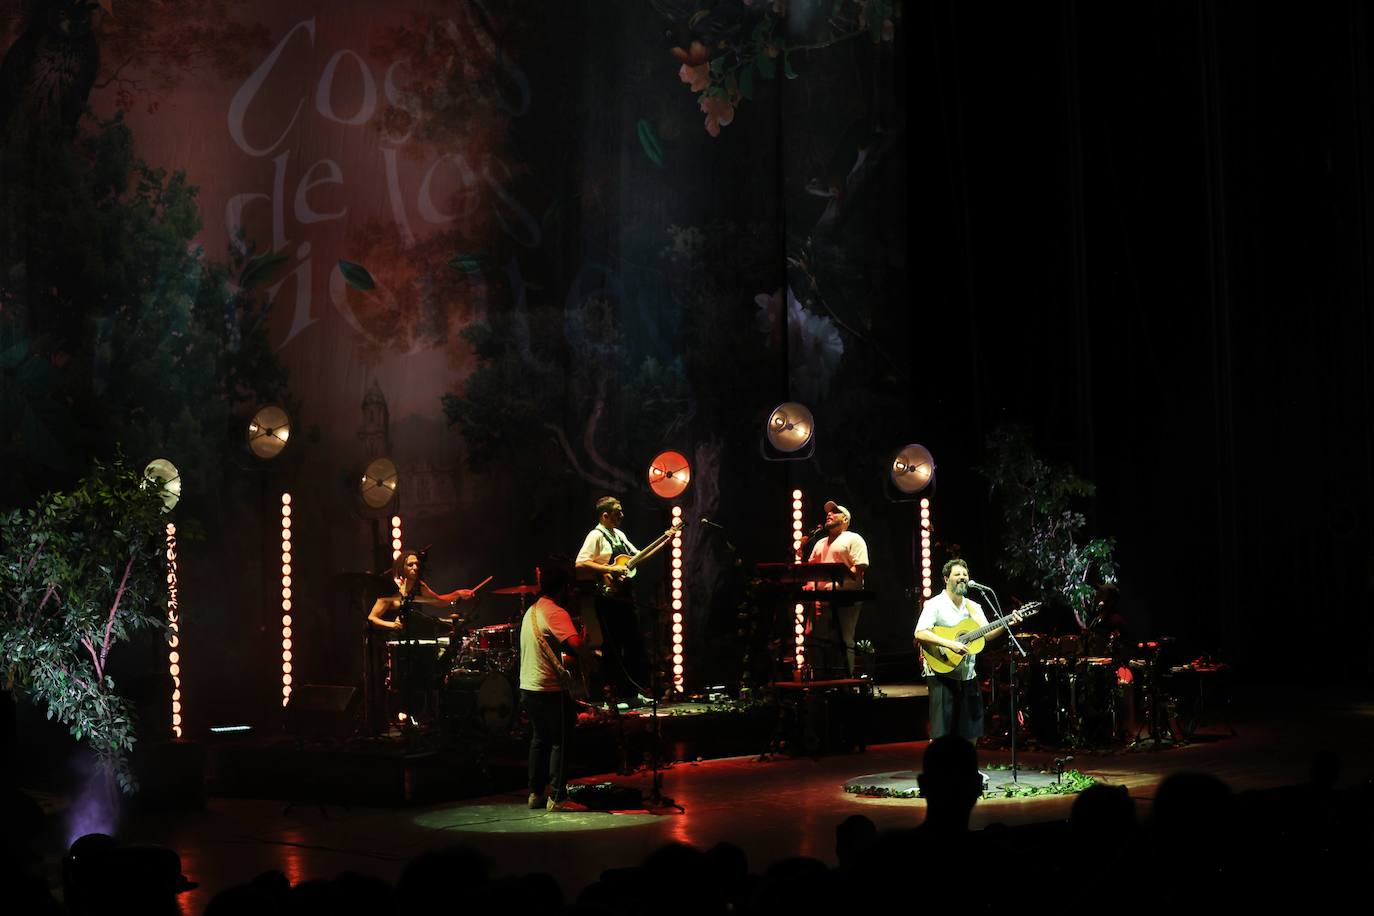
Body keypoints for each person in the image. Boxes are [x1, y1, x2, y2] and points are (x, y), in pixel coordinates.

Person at [913, 558, 1019, 739]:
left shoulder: (973, 607)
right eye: (957, 574)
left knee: (971, 731)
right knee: (942, 733)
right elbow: (920, 632)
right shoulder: (935, 604)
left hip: (968, 675)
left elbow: (986, 634)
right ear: (946, 579)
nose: (962, 577)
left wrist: (1007, 623)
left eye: (965, 574)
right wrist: (950, 644)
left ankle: (966, 758)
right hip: (941, 674)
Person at [519, 563, 586, 811]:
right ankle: (557, 797)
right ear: (563, 588)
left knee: (539, 739)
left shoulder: (531, 611)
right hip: (549, 689)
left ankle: (535, 794)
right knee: (561, 740)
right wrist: (585, 639)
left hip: (528, 687)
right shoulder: (556, 612)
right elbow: (576, 645)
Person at [575, 496, 651, 701]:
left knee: (634, 643)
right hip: (608, 598)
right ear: (605, 515)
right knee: (614, 646)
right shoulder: (595, 535)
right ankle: (616, 695)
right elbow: (580, 563)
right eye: (618, 512)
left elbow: (638, 555)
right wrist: (610, 569)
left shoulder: (619, 535)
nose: (622, 515)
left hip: (626, 597)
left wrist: (665, 540)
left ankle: (633, 692)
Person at [802, 500, 869, 676]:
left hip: (846, 597)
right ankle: (819, 678)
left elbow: (859, 567)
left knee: (843, 638)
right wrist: (810, 586)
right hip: (821, 599)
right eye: (828, 512)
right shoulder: (819, 543)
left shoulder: (853, 538)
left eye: (835, 511)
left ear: (845, 519)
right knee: (815, 638)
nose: (829, 514)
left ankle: (846, 679)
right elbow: (812, 570)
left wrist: (836, 585)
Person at [366, 550, 475, 632]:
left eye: (417, 564)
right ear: (401, 568)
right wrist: (392, 625)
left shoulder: (419, 586)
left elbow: (439, 601)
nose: (415, 567)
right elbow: (371, 618)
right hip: (389, 640)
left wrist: (458, 594)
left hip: (412, 637)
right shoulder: (391, 589)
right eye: (410, 565)